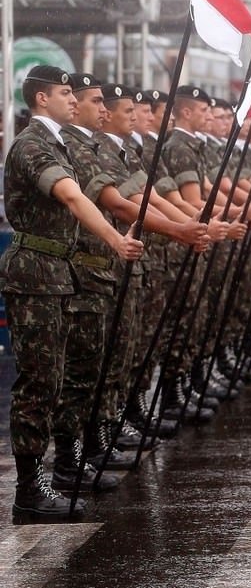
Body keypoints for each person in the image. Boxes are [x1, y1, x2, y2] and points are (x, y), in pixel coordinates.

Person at [0, 65, 143, 519]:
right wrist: (114, 238)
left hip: (54, 272)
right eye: (65, 93)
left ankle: (61, 464)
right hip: (35, 272)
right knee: (39, 382)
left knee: (57, 378)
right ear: (43, 100)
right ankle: (30, 487)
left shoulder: (56, 142)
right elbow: (71, 197)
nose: (73, 99)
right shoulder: (32, 145)